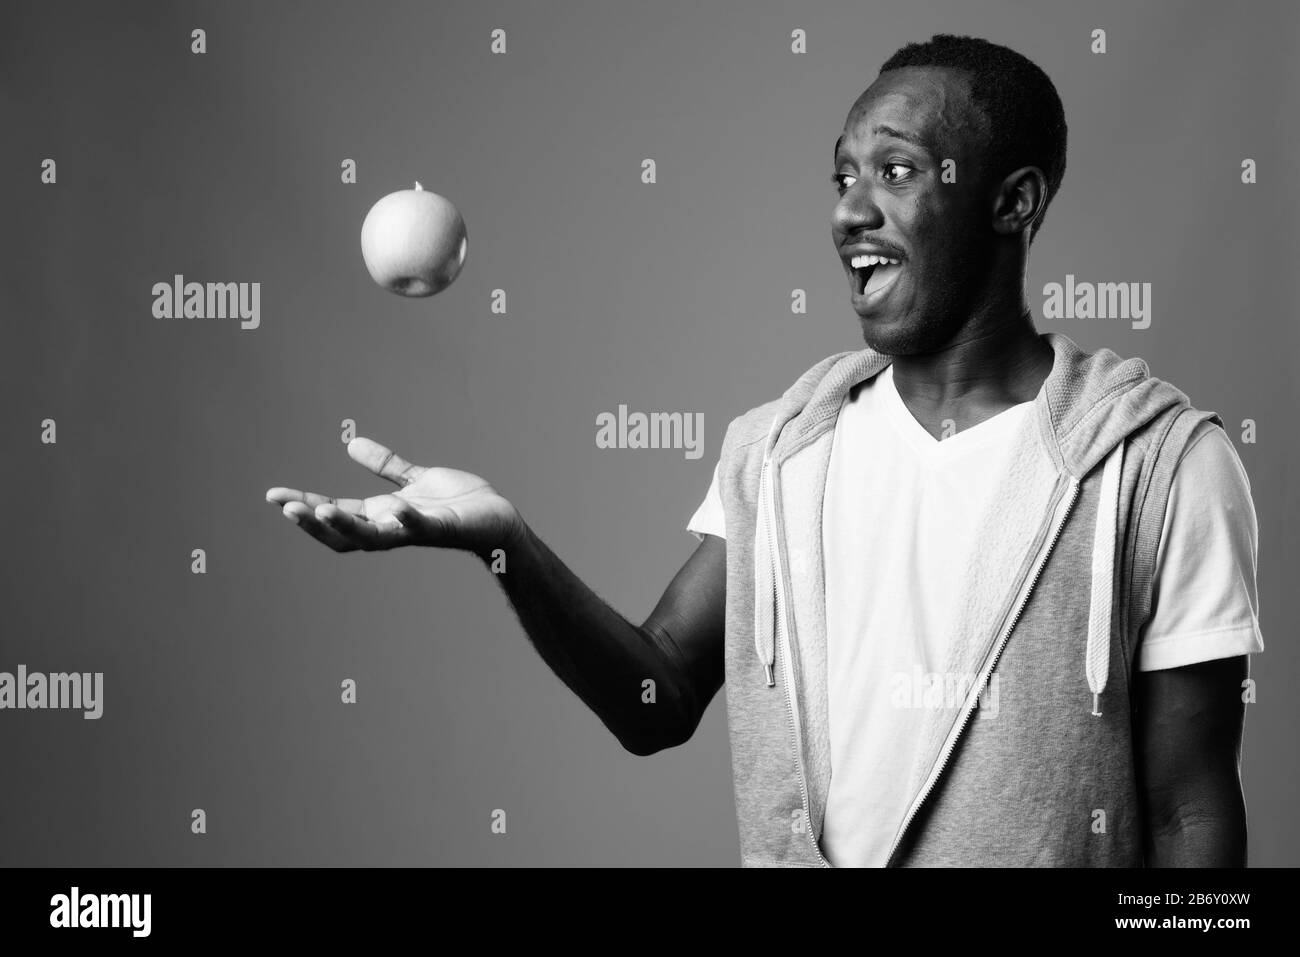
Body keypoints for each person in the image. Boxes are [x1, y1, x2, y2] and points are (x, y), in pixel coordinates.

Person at [266, 34, 1263, 867]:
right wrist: (503, 542)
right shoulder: (782, 456)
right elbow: (656, 698)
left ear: (1012, 203)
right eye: (842, 177)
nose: (850, 210)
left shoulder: (1160, 465)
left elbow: (1186, 815)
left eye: (896, 171)